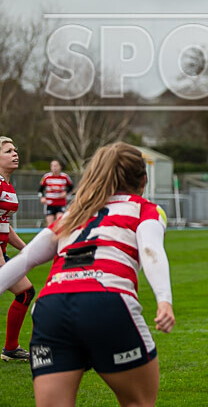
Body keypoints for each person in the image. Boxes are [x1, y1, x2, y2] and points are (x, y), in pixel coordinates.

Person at [0, 142, 175, 406]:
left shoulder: (73, 213)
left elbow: (25, 260)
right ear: (143, 179)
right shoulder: (145, 209)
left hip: (50, 307)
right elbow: (152, 251)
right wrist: (164, 300)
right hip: (107, 301)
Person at [0, 136, 35, 362]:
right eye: (8, 151)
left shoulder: (7, 185)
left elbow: (4, 224)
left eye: (15, 150)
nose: (15, 154)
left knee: (25, 292)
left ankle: (11, 349)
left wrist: (27, 248)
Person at [38, 159, 74, 226]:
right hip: (50, 204)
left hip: (61, 203)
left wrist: (66, 193)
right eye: (52, 166)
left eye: (56, 166)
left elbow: (71, 188)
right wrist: (42, 197)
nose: (54, 168)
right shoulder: (46, 177)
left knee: (60, 223)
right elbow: (40, 190)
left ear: (60, 167)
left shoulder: (65, 177)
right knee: (50, 225)